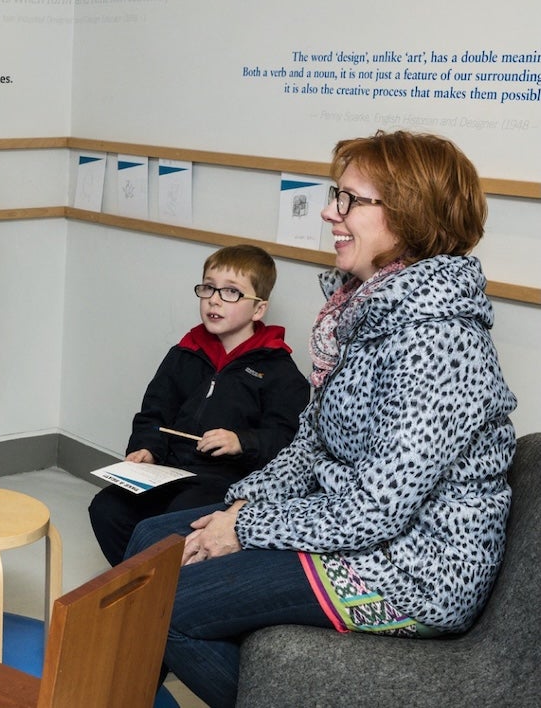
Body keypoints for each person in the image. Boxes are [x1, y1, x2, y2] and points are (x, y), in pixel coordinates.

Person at [123, 130, 517, 708]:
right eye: (337, 196)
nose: (330, 212)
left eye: (350, 200)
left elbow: (377, 510)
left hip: (410, 569)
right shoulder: (367, 310)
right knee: (150, 538)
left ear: (406, 214)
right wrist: (241, 504)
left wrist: (246, 529)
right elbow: (313, 443)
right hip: (356, 528)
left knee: (164, 603)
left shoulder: (437, 341)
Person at [88, 244, 309, 565]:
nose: (214, 299)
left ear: (259, 309)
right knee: (107, 508)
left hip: (225, 482)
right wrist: (146, 448)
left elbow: (288, 442)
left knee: (176, 521)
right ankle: (142, 584)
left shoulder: (280, 372)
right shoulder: (184, 354)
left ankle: (165, 592)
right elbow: (154, 413)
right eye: (208, 287)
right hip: (168, 471)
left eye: (231, 292)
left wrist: (241, 442)